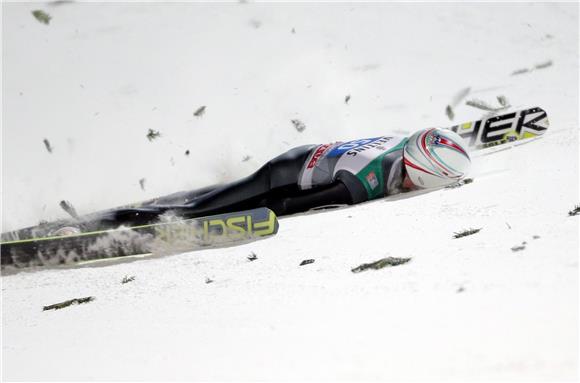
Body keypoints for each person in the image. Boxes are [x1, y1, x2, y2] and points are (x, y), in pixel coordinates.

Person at [6, 127, 472, 239]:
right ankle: (73, 229)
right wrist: (244, 220)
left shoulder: (403, 147)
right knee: (191, 213)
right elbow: (292, 206)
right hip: (284, 174)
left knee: (198, 197)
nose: (410, 191)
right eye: (416, 184)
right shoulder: (367, 179)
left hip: (304, 161)